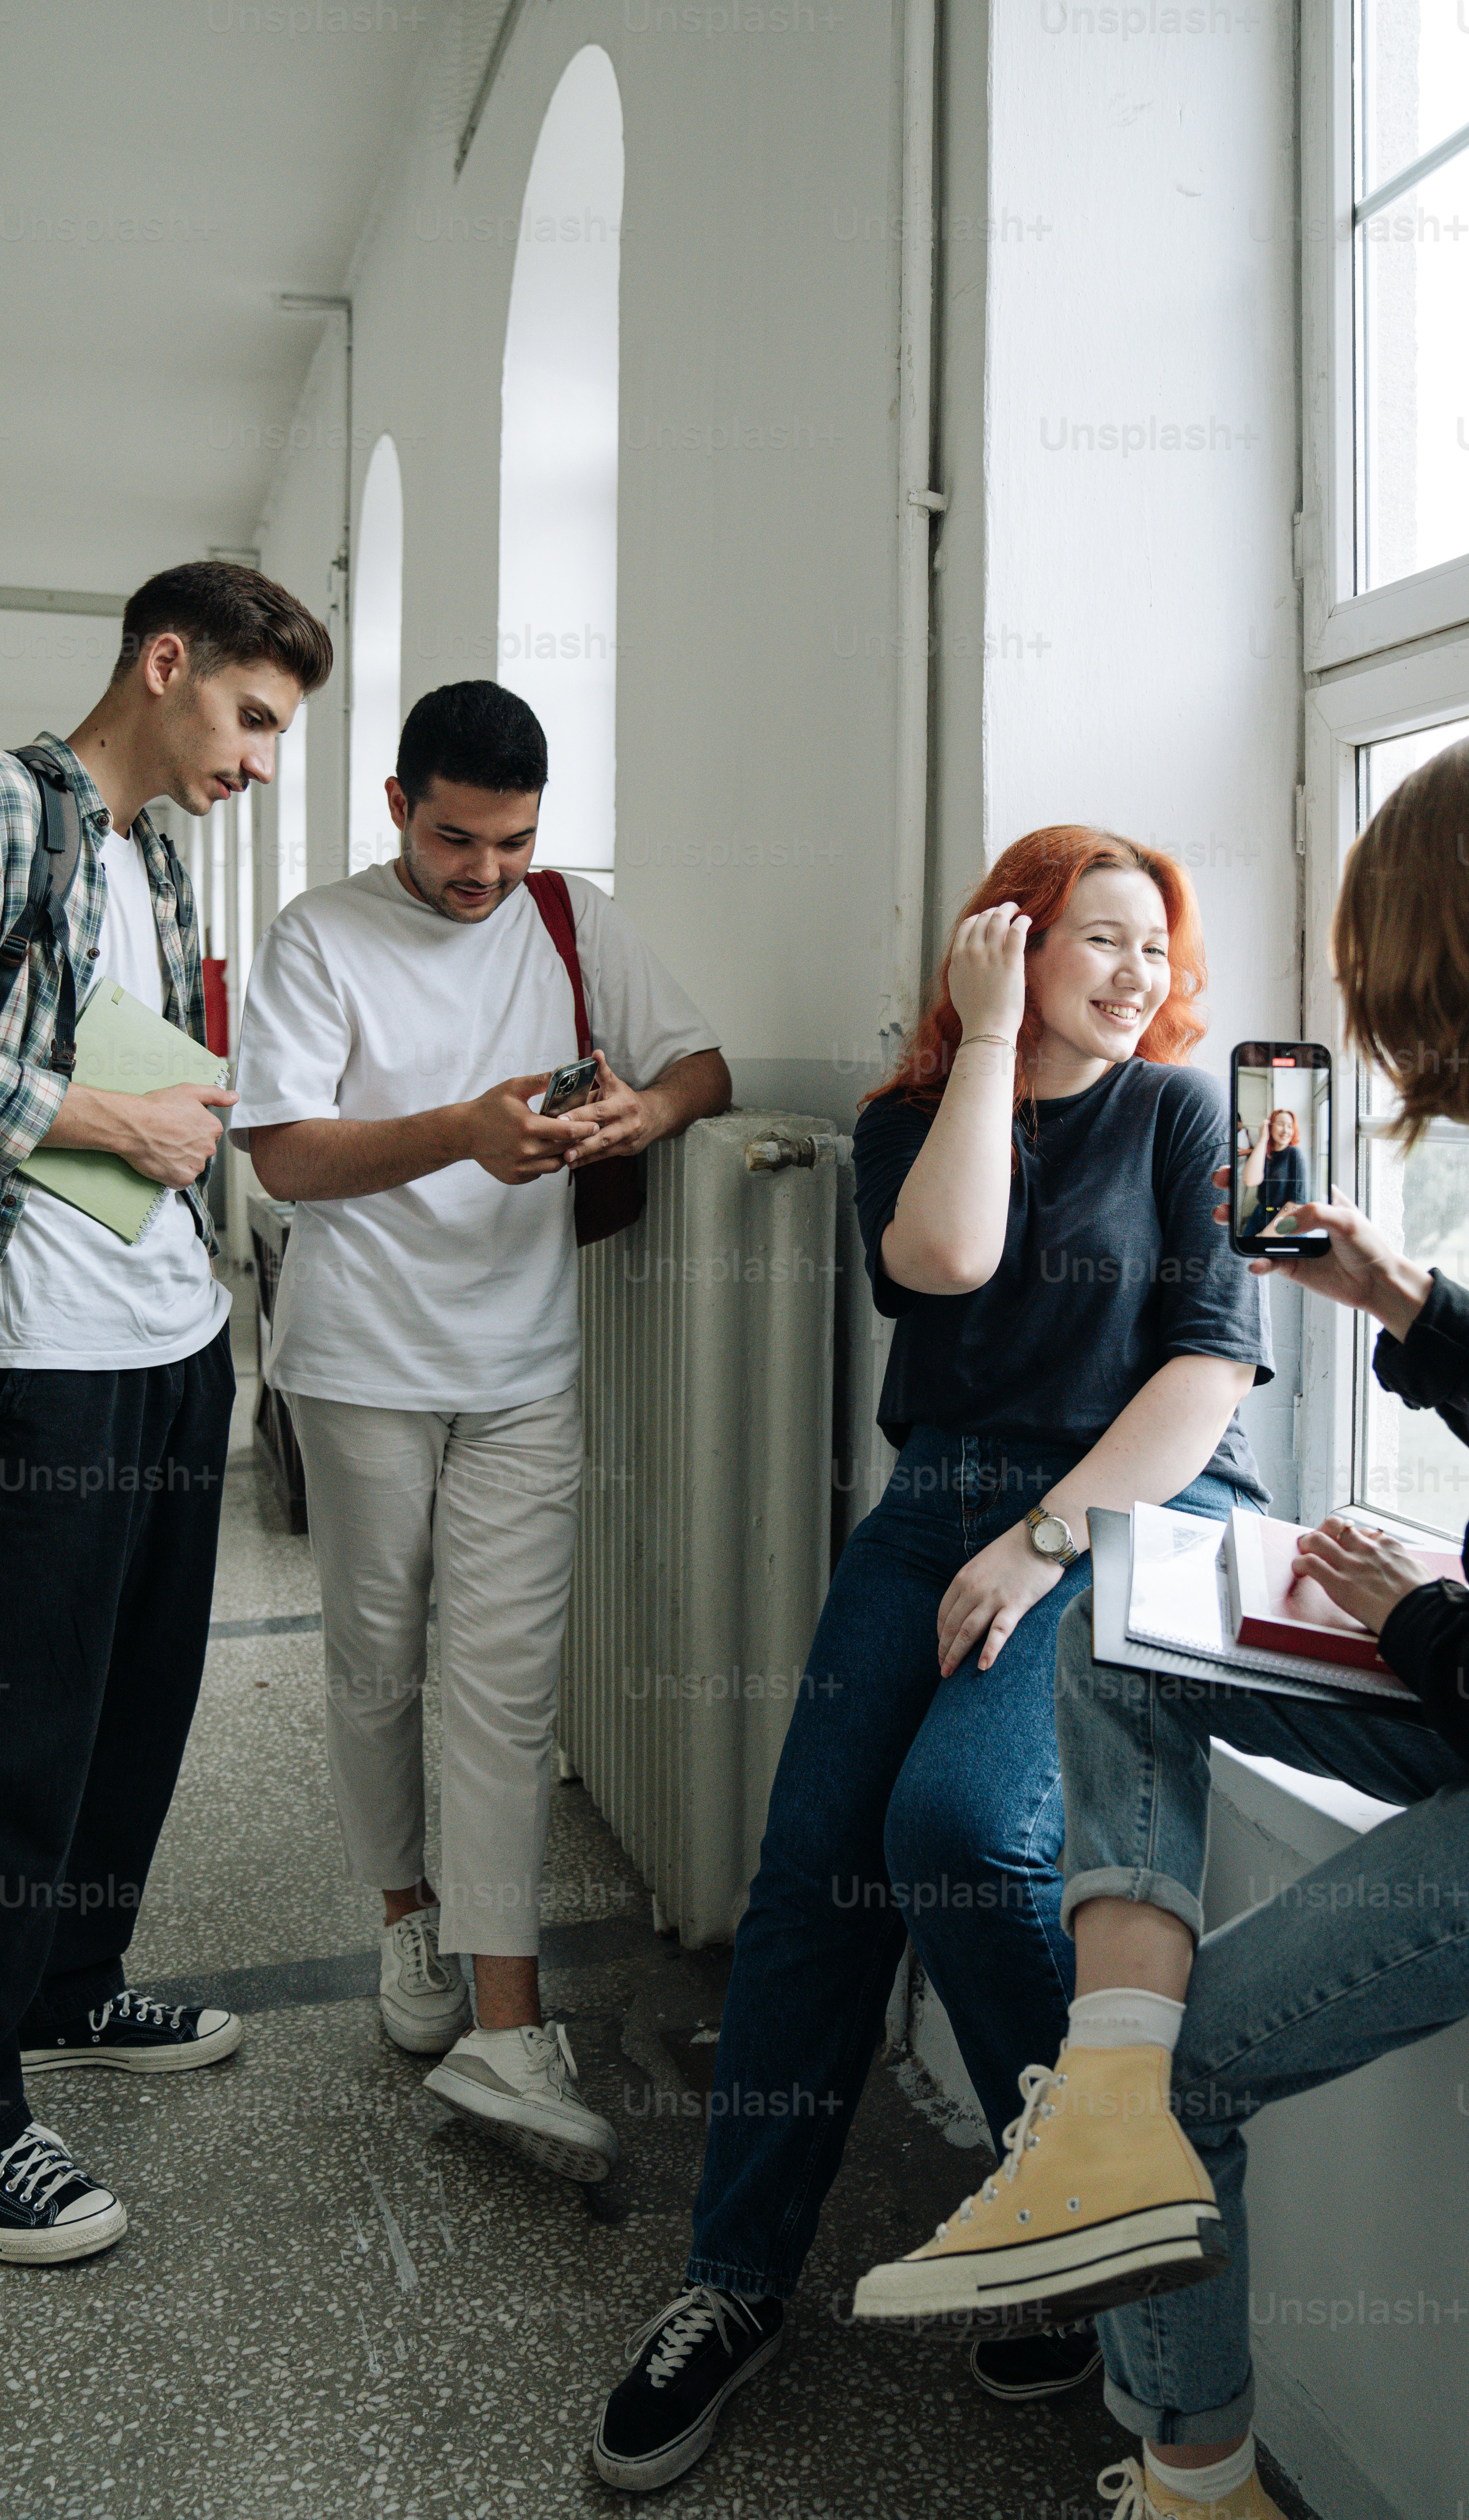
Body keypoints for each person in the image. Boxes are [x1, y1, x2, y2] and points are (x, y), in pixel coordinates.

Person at [857, 721, 1469, 2520]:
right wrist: (1406, 1304)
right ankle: (1099, 2099)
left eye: (1397, 976)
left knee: (1198, 2075)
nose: (1378, 1024)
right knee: (1122, 1595)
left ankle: (1199, 2476)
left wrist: (1412, 1615)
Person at [592, 826, 1272, 2495]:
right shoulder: (911, 1122)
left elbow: (1206, 1377)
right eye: (1093, 940)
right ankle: (731, 2286)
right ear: (1005, 948)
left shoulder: (1190, 1113)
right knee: (809, 1872)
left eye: (1150, 946)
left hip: (1121, 1514)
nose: (1132, 974)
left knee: (958, 1834)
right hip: (936, 1504)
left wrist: (1044, 1543)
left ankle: (1075, 2229)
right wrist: (980, 1048)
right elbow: (943, 1264)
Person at [232, 680, 728, 2180]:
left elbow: (699, 1063)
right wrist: (460, 1126)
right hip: (364, 1362)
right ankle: (406, 1924)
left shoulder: (572, 919)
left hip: (523, 1367)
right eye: (456, 840)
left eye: (511, 843)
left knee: (504, 1690)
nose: (485, 875)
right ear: (397, 807)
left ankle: (508, 2025)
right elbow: (281, 1158)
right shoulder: (321, 934)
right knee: (378, 1661)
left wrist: (645, 1114)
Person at [0, 561, 331, 2263]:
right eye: (250, 718)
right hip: (30, 1344)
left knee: (136, 1702)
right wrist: (102, 1111)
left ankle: (68, 1984)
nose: (259, 761)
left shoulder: (160, 852)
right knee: (0, 1731)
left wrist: (190, 1117)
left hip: (167, 1332)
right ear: (167, 665)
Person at [1235, 1106, 1304, 1242]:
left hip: (1285, 1219)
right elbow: (1250, 1180)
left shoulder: (1294, 1154)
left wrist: (1266, 1234)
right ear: (1270, 1127)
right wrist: (1262, 1141)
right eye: (1280, 1125)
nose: (1286, 1131)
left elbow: (1297, 1201)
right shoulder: (1265, 1153)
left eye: (1290, 1127)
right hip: (1261, 1215)